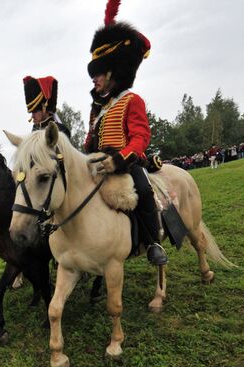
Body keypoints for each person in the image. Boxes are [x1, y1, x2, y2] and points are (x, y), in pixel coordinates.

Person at [83, 3, 167, 265]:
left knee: (142, 189)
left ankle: (153, 242)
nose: (94, 79)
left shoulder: (132, 100)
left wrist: (120, 159)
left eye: (98, 73)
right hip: (99, 163)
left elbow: (141, 138)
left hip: (127, 162)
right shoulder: (98, 108)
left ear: (112, 72)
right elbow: (89, 142)